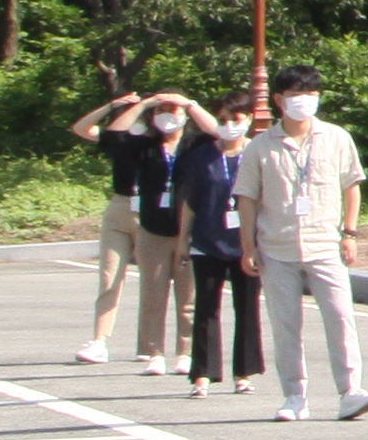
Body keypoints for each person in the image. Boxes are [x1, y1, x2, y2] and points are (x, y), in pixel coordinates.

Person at [241, 68, 368, 423]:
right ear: (278, 100)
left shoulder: (335, 137)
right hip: (277, 245)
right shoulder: (260, 145)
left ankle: (351, 390)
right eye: (296, 93)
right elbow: (247, 199)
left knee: (340, 317)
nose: (304, 100)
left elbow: (352, 184)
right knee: (285, 323)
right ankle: (294, 395)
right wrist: (248, 246)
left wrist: (349, 234)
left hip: (325, 243)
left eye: (312, 93)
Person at [66, 86, 182, 372]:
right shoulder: (127, 139)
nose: (162, 116)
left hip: (153, 210)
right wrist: (120, 106)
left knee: (153, 281)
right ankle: (99, 340)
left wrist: (183, 105)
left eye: (168, 111)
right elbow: (85, 129)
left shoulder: (166, 143)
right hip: (121, 207)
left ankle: (148, 346)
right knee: (110, 276)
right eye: (158, 110)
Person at [171, 92, 261, 398]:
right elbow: (190, 202)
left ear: (248, 119)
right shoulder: (201, 156)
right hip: (208, 240)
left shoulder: (258, 153)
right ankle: (202, 374)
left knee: (247, 308)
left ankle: (244, 373)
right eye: (222, 120)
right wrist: (184, 240)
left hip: (248, 243)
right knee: (206, 309)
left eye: (235, 120)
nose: (229, 125)